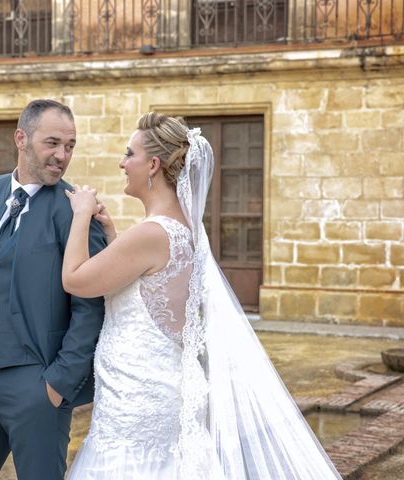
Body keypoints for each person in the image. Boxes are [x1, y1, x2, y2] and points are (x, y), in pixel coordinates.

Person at [62, 113, 342, 479]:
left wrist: (80, 214)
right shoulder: (182, 229)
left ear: (153, 165)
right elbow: (144, 286)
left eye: (129, 154)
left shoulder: (150, 233)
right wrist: (114, 236)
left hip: (137, 401)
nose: (122, 162)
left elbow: (75, 280)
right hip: (151, 386)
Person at [0, 99, 106, 480]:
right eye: (52, 143)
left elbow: (92, 307)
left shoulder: (77, 212)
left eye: (69, 146)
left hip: (38, 385)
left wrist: (58, 384)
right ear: (21, 138)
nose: (61, 155)